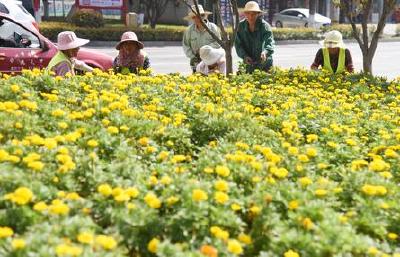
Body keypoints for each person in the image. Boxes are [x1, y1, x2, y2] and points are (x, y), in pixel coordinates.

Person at [235, 1, 275, 74]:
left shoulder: (265, 26)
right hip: (249, 63)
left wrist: (265, 52)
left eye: (253, 14)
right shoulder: (240, 26)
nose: (250, 16)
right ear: (245, 14)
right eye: (248, 14)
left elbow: (269, 42)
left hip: (264, 63)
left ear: (258, 14)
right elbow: (238, 45)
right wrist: (244, 56)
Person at [182, 4, 221, 73]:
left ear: (204, 16)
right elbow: (186, 46)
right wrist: (194, 56)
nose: (198, 18)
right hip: (196, 63)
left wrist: (204, 50)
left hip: (212, 62)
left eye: (200, 15)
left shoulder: (213, 28)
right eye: (194, 17)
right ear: (192, 18)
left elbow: (218, 43)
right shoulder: (189, 30)